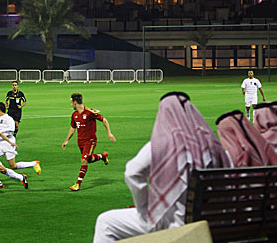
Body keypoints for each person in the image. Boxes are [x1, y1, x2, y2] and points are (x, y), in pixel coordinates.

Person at [93, 92, 231, 243]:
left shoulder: (162, 144)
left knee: (105, 222)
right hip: (209, 219)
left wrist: (144, 209)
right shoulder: (211, 145)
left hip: (174, 222)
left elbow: (132, 172)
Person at [0, 102, 41, 186]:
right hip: (0, 144)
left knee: (13, 165)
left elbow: (11, 129)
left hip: (8, 144)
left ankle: (33, 164)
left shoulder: (8, 118)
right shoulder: (1, 119)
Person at [62, 93, 116, 191]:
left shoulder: (89, 112)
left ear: (75, 102)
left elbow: (104, 120)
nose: (71, 105)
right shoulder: (74, 115)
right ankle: (102, 156)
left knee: (84, 160)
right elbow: (73, 128)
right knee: (89, 159)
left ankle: (78, 184)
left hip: (90, 141)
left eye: (71, 103)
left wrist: (109, 133)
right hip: (80, 141)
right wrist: (66, 140)